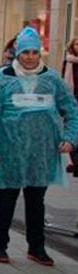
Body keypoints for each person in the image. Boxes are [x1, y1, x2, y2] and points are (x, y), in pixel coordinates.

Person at [0, 27, 78, 266]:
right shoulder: (2, 79)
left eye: (34, 52)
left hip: (41, 153)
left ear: (40, 53)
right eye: (25, 52)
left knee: (36, 202)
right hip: (9, 152)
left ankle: (36, 247)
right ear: (17, 53)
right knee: (7, 199)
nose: (30, 57)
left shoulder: (52, 79)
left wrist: (69, 138)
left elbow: (71, 110)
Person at [63, 38, 78, 174]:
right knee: (74, 129)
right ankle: (74, 161)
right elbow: (63, 81)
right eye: (77, 44)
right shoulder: (68, 61)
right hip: (72, 97)